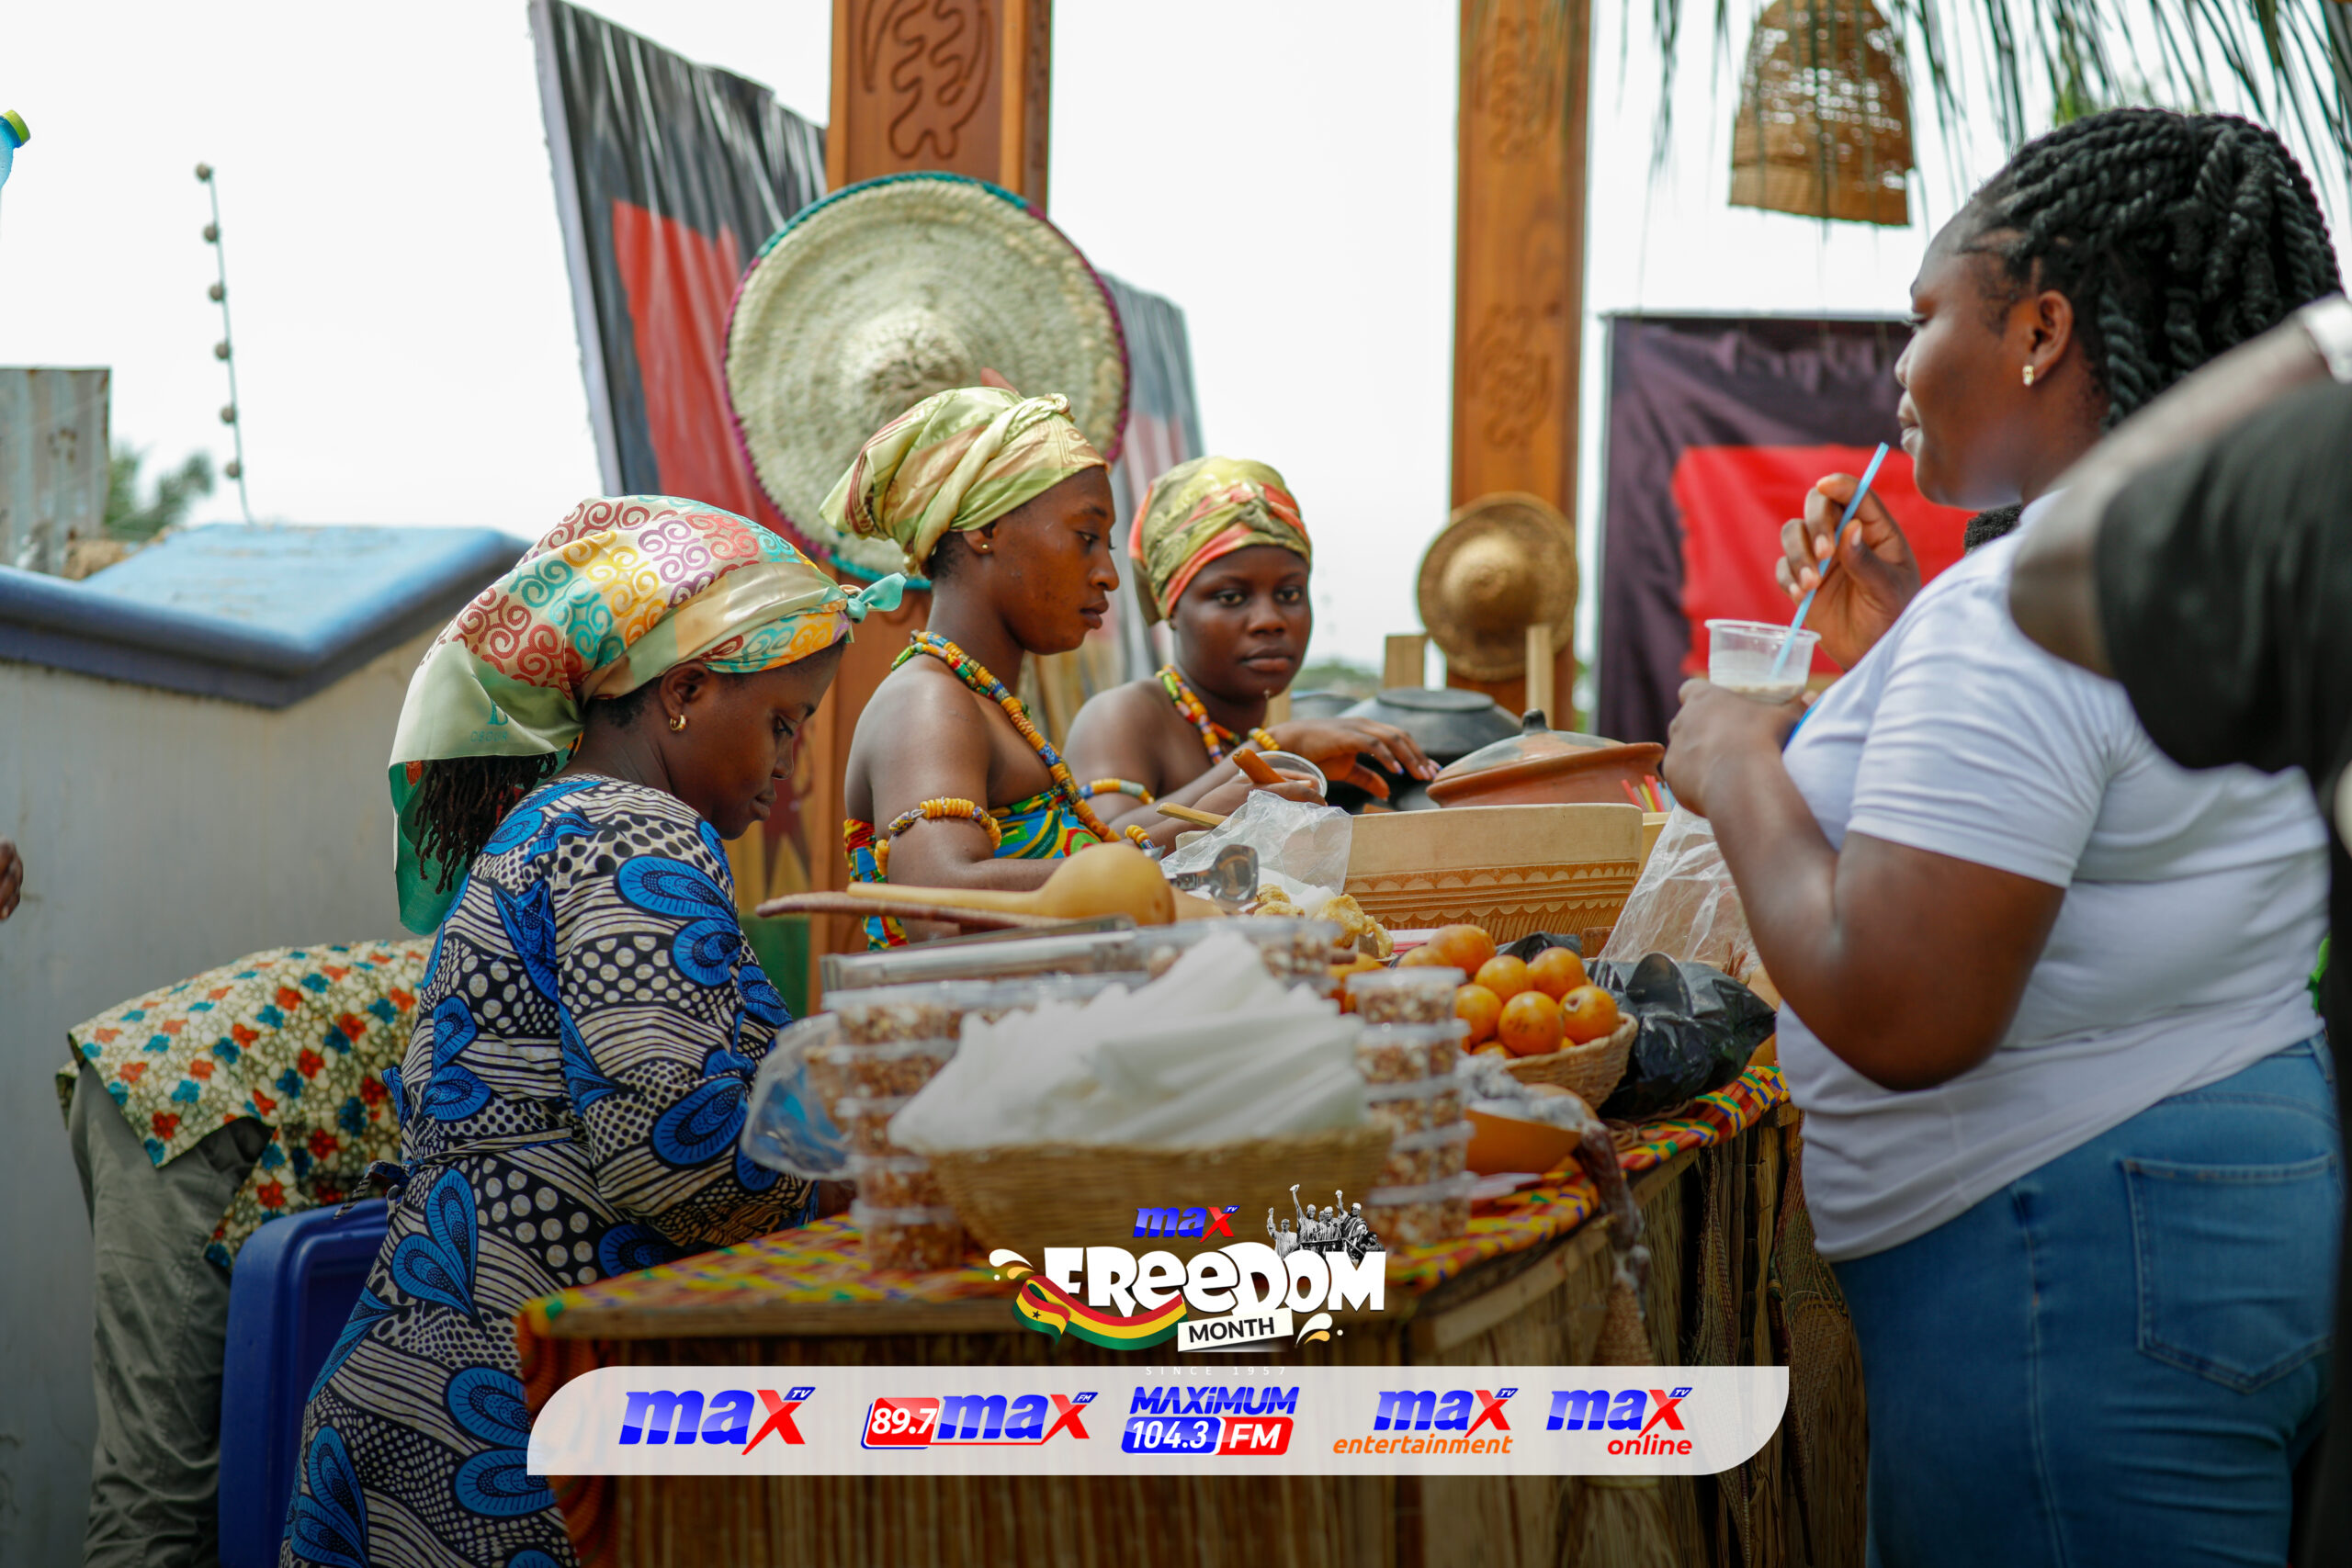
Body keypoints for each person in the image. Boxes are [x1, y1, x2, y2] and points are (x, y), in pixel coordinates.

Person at [1661, 110, 2341, 1566]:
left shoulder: (2012, 615)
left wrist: (1737, 764)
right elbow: (2124, 831)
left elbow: (1907, 1003)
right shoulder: (2234, 580)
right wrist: (1898, 658)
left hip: (2062, 1264)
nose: (1898, 371)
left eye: (1921, 318)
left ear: (2039, 328)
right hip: (2224, 1208)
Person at [284, 496, 884, 1568]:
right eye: (784, 722)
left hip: (431, 1383)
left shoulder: (551, 825)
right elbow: (676, 1156)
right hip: (508, 1419)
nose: (791, 766)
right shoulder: (633, 834)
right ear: (685, 692)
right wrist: (866, 1168)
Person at [2005, 294, 2352, 1568]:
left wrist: (2331, 339)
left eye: (1923, 320)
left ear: (2043, 332)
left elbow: (2060, 568)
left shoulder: (2330, 478)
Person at [830, 391, 1313, 947]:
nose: (1108, 574)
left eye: (1108, 546)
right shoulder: (928, 703)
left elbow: (1087, 863)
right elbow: (941, 906)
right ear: (984, 529)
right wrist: (1185, 836)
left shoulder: (981, 705)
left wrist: (1205, 817)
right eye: (1086, 539)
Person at [62, 942, 424, 1568]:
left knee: (208, 1475)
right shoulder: (532, 978)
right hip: (187, 1106)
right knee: (159, 1494)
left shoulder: (483, 946)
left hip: (163, 1079)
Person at [1063, 455, 1435, 844]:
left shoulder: (1237, 730)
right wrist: (1276, 747)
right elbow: (1096, 845)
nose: (1269, 620)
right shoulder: (1122, 715)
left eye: (1289, 593)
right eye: (1230, 597)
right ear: (1171, 607)